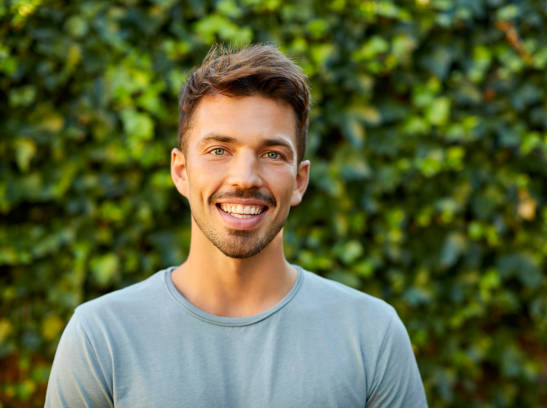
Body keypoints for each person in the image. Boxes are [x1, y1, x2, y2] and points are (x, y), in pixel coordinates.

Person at [45, 44, 428, 407]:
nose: (245, 177)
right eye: (218, 151)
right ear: (181, 171)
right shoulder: (101, 337)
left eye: (272, 154)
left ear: (299, 180)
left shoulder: (371, 334)